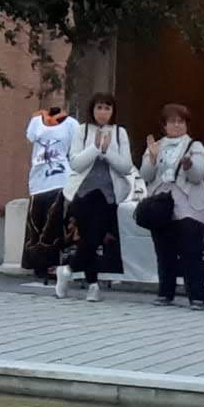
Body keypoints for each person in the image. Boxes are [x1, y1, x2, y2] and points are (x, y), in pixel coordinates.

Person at [60, 93, 133, 302]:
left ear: (113, 111)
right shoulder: (82, 131)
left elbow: (126, 167)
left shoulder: (119, 132)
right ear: (92, 110)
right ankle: (93, 286)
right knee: (87, 239)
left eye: (107, 108)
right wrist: (95, 148)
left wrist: (107, 151)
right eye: (99, 107)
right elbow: (75, 163)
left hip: (108, 195)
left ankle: (67, 269)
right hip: (83, 193)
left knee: (94, 239)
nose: (103, 112)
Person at [142, 104, 204, 310]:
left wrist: (189, 166)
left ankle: (197, 296)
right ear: (164, 125)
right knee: (164, 252)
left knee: (191, 251)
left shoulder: (195, 146)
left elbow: (199, 175)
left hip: (189, 205)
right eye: (172, 121)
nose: (177, 125)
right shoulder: (156, 146)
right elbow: (146, 175)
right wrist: (152, 157)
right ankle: (165, 293)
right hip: (161, 206)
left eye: (181, 121)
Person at [22, 107, 78, 282]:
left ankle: (53, 262)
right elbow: (30, 137)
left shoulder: (71, 124)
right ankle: (36, 262)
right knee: (36, 221)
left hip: (60, 178)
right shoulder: (36, 121)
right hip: (38, 180)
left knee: (53, 221)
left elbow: (75, 150)